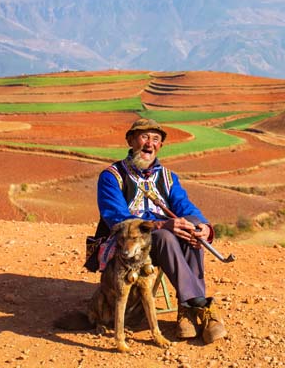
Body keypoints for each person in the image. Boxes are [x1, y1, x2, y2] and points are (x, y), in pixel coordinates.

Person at [84, 118, 227, 344]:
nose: (149, 144)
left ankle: (186, 312)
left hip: (164, 240)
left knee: (190, 229)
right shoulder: (112, 176)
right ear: (131, 140)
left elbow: (184, 206)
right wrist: (161, 225)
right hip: (128, 243)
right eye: (144, 137)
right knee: (164, 236)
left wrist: (202, 226)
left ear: (160, 145)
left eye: (156, 139)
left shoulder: (168, 177)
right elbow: (117, 219)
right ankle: (199, 306)